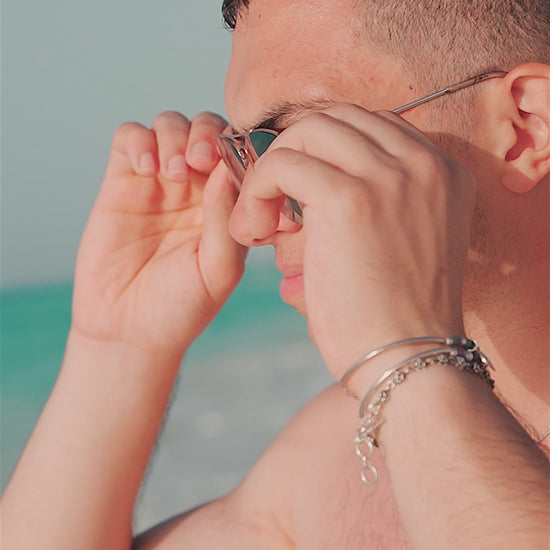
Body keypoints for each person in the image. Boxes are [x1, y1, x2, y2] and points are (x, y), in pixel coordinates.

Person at [2, 0, 549, 548]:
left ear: (526, 127)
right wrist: (120, 345)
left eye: (294, 141)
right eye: (246, 156)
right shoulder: (335, 459)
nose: (249, 223)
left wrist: (408, 357)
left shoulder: (399, 399)